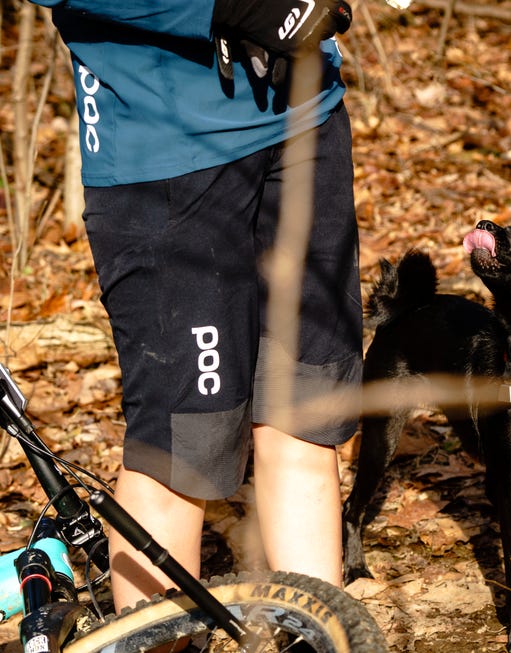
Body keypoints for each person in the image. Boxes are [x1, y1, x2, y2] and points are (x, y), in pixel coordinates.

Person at [31, 0, 362, 608]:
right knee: (183, 447)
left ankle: (320, 635)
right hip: (163, 153)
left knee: (306, 413)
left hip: (307, 115)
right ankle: (159, 643)